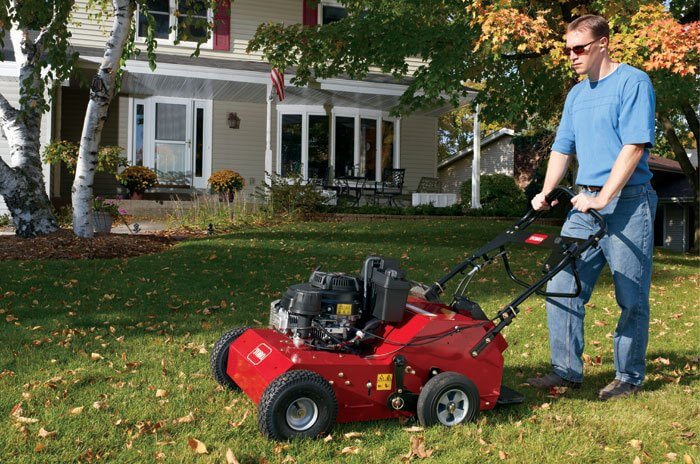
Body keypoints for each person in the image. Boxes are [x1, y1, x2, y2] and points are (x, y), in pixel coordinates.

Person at [526, 14, 658, 401]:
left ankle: (628, 377)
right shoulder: (577, 95)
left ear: (603, 44)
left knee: (631, 295)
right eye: (567, 49)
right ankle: (565, 372)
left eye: (579, 48)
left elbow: (633, 147)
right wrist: (547, 190)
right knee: (562, 284)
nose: (572, 55)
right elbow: (562, 147)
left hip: (629, 203)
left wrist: (604, 197)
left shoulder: (633, 82)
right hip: (583, 205)